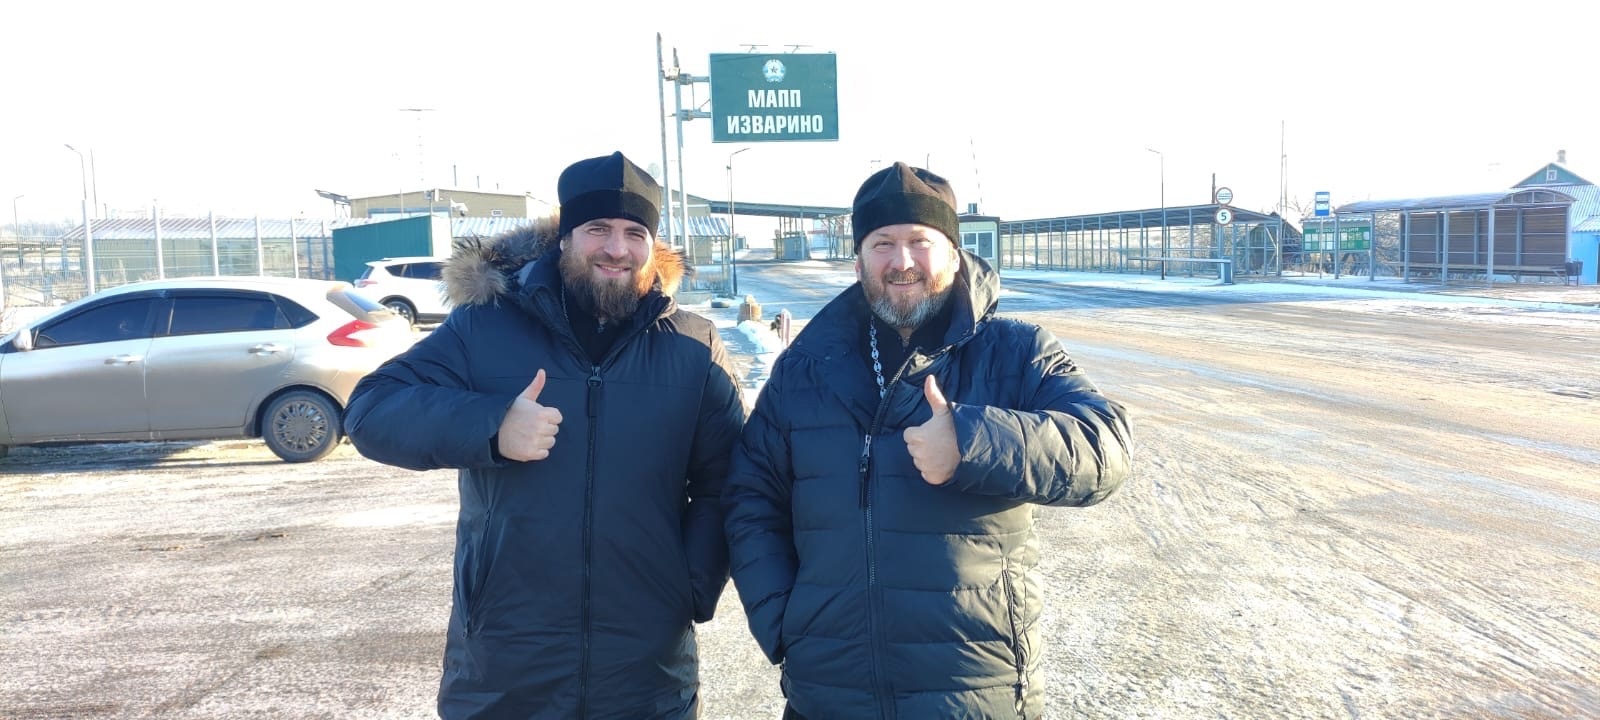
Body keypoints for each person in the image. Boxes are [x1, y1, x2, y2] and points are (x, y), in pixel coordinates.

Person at [343, 151, 747, 719]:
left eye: (634, 233)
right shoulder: (485, 327)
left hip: (643, 669)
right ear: (564, 238)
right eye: (598, 229)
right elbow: (370, 412)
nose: (616, 248)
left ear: (651, 248)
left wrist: (688, 588)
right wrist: (491, 426)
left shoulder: (691, 346)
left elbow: (728, 483)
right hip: (505, 663)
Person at [723, 162, 1133, 719]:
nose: (902, 262)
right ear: (859, 258)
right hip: (828, 693)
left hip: (973, 689)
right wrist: (786, 623)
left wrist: (972, 439)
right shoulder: (806, 368)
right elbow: (751, 496)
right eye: (882, 244)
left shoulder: (1014, 350)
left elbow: (1103, 447)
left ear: (954, 253)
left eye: (921, 242)